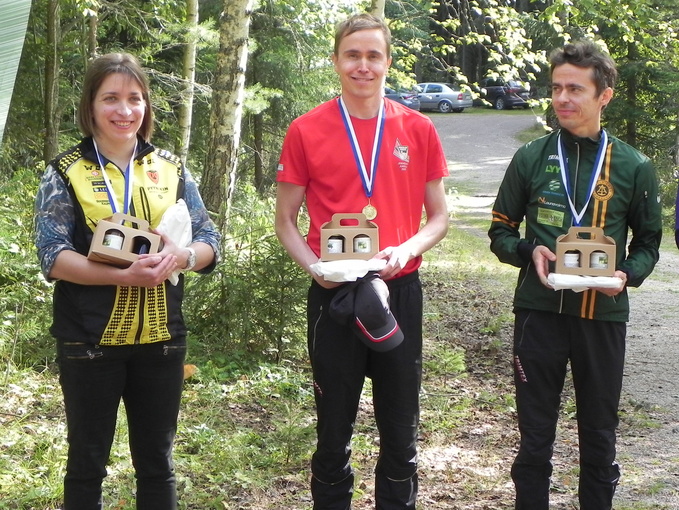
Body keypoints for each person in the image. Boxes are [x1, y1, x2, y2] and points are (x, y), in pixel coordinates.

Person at [275, 13, 449, 510]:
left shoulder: (417, 128)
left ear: (388, 62)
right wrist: (315, 267)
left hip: (398, 291)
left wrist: (408, 248)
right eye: (353, 55)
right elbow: (285, 220)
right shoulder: (306, 129)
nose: (363, 66)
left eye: (374, 55)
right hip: (335, 293)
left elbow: (439, 218)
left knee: (401, 431)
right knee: (333, 433)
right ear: (336, 61)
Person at [34, 52, 220, 509]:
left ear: (146, 105)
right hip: (88, 340)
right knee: (87, 463)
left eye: (135, 98)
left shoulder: (171, 168)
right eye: (111, 98)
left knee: (158, 463)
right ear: (90, 105)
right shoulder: (64, 171)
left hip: (161, 339)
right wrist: (124, 277)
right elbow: (53, 256)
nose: (125, 110)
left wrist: (183, 256)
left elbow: (210, 241)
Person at [488, 41, 662, 510]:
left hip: (602, 316)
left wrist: (625, 275)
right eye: (556, 88)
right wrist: (529, 251)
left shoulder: (634, 166)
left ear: (604, 95)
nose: (562, 98)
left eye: (575, 89)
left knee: (600, 437)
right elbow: (500, 232)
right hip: (538, 312)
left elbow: (649, 243)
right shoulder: (531, 157)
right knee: (534, 439)